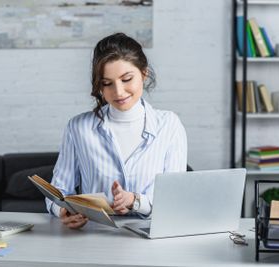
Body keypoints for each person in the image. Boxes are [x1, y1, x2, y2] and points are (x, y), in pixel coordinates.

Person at [46, 32, 187, 229]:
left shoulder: (170, 125)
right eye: (107, 83)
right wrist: (62, 210)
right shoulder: (78, 128)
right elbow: (57, 191)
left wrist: (135, 201)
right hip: (93, 237)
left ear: (143, 74)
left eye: (126, 79)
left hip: (151, 237)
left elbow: (175, 199)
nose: (119, 92)